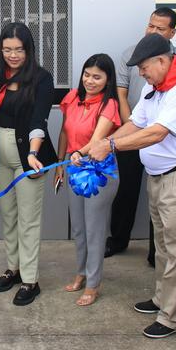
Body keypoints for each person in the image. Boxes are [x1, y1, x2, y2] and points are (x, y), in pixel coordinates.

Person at [88, 33, 176, 338]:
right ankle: (162, 299)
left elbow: (157, 133)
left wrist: (111, 147)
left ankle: (172, 317)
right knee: (164, 246)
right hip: (159, 178)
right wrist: (104, 141)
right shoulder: (154, 89)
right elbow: (137, 124)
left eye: (143, 67)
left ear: (162, 60)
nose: (140, 73)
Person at [109, 7, 176, 261]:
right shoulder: (131, 59)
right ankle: (118, 239)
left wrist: (114, 142)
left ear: (172, 33)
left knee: (163, 204)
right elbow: (124, 98)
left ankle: (156, 252)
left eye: (160, 28)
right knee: (127, 190)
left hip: (166, 144)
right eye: (150, 26)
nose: (153, 31)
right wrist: (124, 138)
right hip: (133, 135)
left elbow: (162, 128)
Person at [0, 22, 56, 306]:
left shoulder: (41, 78)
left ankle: (30, 279)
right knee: (8, 215)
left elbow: (39, 120)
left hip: (28, 157)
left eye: (18, 50)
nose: (12, 55)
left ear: (29, 50)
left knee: (28, 220)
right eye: (7, 49)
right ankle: (12, 268)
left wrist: (33, 153)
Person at [54, 54, 121, 306]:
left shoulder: (109, 104)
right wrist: (61, 165)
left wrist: (78, 154)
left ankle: (94, 283)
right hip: (72, 167)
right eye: (87, 74)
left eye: (97, 77)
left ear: (107, 79)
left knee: (95, 230)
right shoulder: (72, 97)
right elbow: (64, 132)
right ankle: (81, 273)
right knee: (79, 228)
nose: (90, 81)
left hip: (99, 172)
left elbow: (97, 139)